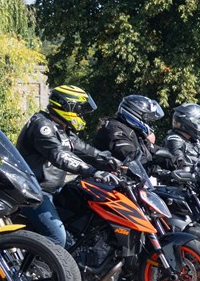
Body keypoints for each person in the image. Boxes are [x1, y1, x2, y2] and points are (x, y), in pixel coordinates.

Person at [15, 85, 121, 250]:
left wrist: (110, 161)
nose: (81, 116)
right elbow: (59, 156)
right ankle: (44, 273)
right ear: (67, 106)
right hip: (33, 192)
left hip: (53, 190)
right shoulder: (42, 126)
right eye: (80, 111)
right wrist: (93, 171)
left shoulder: (62, 128)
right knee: (57, 238)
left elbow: (85, 150)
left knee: (82, 225)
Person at [94, 94, 164, 167]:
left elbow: (154, 150)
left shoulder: (134, 131)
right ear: (136, 115)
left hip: (132, 176)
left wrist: (174, 160)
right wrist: (156, 170)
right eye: (147, 120)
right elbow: (130, 156)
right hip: (108, 175)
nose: (149, 124)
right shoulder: (115, 129)